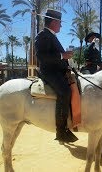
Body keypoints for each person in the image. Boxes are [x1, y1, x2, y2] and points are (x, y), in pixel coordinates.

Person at [35, 9, 78, 143]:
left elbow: (54, 55)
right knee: (64, 91)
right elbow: (41, 57)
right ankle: (61, 130)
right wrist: (62, 55)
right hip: (49, 72)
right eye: (60, 23)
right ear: (54, 22)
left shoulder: (51, 35)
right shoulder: (42, 35)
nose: (61, 25)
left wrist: (65, 58)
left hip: (57, 71)